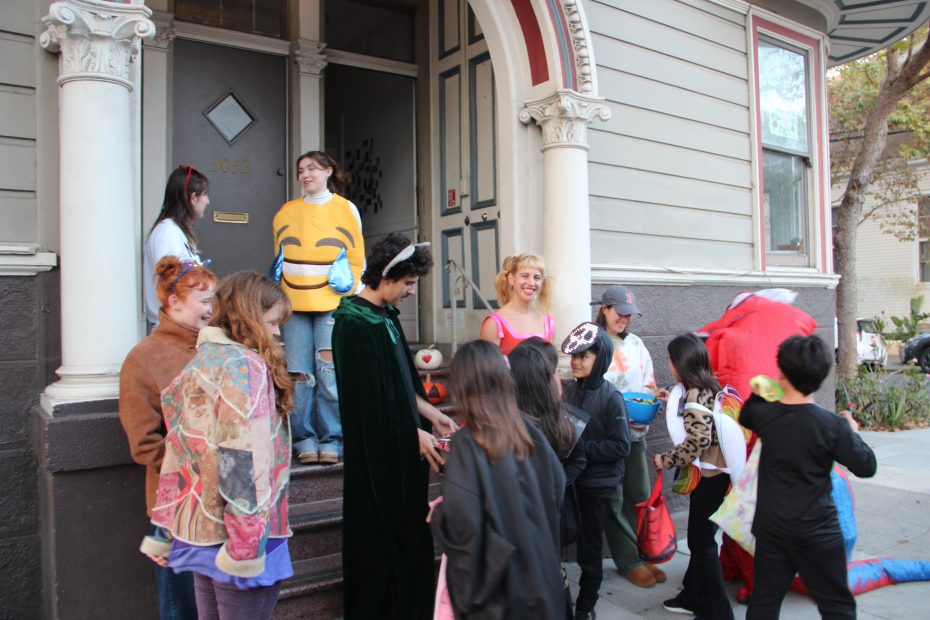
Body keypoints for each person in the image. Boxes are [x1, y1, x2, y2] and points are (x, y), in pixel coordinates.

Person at [143, 272, 294, 620]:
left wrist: (165, 526)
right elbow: (244, 459)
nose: (277, 332)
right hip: (242, 535)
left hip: (199, 528)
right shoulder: (244, 366)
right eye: (272, 322)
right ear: (249, 318)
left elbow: (175, 451)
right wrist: (246, 546)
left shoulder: (200, 363)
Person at [332, 233, 457, 620]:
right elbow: (368, 406)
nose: (409, 292)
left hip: (403, 459)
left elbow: (400, 383)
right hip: (377, 462)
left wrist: (429, 414)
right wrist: (410, 433)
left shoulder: (385, 317)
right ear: (387, 276)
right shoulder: (353, 325)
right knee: (381, 544)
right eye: (408, 284)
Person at [740, 336, 877, 620]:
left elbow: (746, 415)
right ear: (821, 376)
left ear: (781, 371)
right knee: (837, 607)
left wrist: (761, 391)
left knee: (764, 603)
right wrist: (851, 430)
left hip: (772, 529)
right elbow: (866, 466)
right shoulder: (833, 426)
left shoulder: (765, 415)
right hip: (818, 532)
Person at [431, 340, 566, 619]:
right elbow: (557, 485)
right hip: (542, 574)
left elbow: (464, 528)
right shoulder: (529, 431)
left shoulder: (467, 445)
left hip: (501, 593)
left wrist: (441, 513)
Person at [120, 256, 219, 620]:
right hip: (177, 505)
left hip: (221, 498)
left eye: (213, 300)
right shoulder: (143, 357)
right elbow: (144, 442)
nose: (212, 309)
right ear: (174, 302)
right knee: (184, 605)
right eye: (205, 301)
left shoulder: (216, 347)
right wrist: (199, 462)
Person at [273, 151, 364, 464]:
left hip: (332, 304)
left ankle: (332, 438)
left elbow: (356, 256)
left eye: (312, 168)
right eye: (300, 170)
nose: (305, 174)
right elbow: (280, 258)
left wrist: (352, 295)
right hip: (294, 304)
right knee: (299, 375)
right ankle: (304, 439)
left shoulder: (345, 208)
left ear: (328, 171)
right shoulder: (287, 211)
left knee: (328, 373)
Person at [654, 333, 735, 620]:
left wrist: (665, 460)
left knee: (702, 543)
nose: (669, 364)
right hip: (721, 475)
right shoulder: (710, 385)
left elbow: (697, 440)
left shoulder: (693, 395)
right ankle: (691, 595)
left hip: (709, 477)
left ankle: (718, 612)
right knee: (703, 538)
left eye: (670, 359)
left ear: (680, 363)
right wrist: (670, 396)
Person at [592, 285, 665, 588]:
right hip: (608, 433)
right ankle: (628, 560)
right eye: (619, 312)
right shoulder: (592, 341)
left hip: (636, 431)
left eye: (629, 314)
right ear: (605, 309)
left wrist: (654, 397)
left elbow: (647, 380)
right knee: (615, 497)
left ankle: (641, 553)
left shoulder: (636, 343)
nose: (624, 318)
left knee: (639, 494)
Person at [561, 322, 632, 620]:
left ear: (600, 358)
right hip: (572, 481)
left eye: (584, 356)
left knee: (590, 546)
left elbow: (621, 446)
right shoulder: (568, 391)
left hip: (597, 485)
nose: (576, 362)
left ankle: (587, 603)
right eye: (574, 356)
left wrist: (581, 450)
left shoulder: (611, 397)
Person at [144, 165, 211, 327]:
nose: (208, 201)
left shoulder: (175, 232)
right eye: (205, 195)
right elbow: (173, 283)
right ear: (193, 197)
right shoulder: (168, 233)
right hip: (173, 327)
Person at [479, 253, 555, 354]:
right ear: (511, 279)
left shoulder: (548, 322)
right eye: (525, 276)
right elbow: (486, 367)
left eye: (537, 277)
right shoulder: (494, 324)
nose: (532, 283)